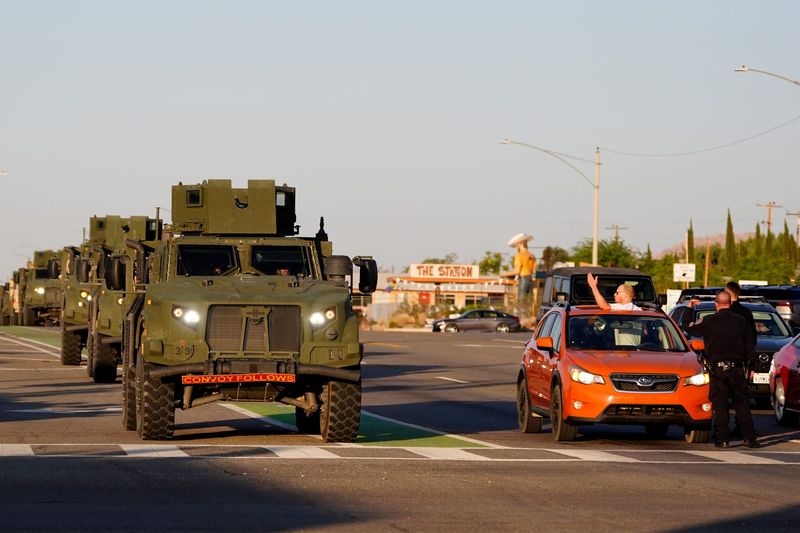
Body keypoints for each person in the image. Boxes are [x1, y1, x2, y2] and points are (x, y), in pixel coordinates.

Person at [681, 291, 760, 448]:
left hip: (717, 370)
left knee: (720, 404)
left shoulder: (709, 320)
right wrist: (752, 367)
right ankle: (749, 438)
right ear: (730, 303)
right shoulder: (741, 321)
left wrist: (689, 308)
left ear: (716, 304)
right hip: (737, 369)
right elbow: (750, 345)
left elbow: (687, 326)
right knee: (742, 403)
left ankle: (722, 439)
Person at [501, 233, 536, 311]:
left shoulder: (519, 256)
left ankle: (522, 320)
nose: (516, 247)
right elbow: (534, 270)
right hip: (530, 280)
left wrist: (504, 274)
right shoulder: (532, 256)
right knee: (529, 301)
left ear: (520, 244)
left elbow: (517, 271)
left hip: (523, 279)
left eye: (516, 245)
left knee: (522, 302)